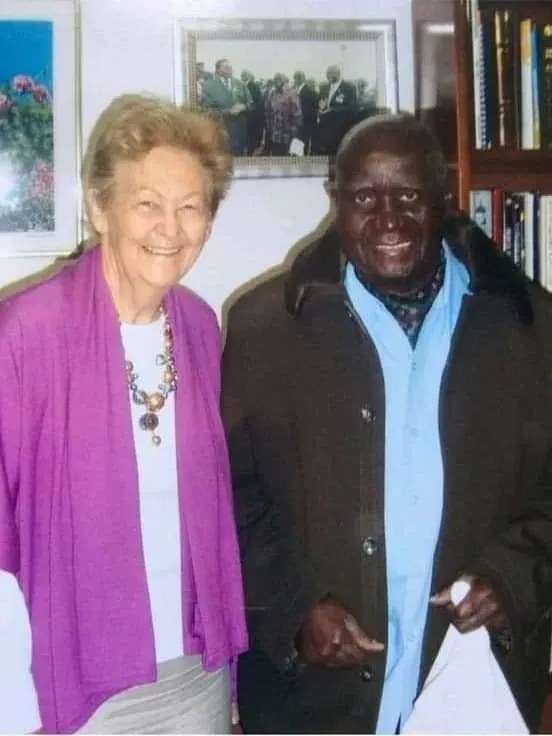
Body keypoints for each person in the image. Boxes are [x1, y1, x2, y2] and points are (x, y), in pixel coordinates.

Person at [221, 113, 552, 733]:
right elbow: (232, 500)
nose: (389, 219)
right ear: (336, 200)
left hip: (473, 688)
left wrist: (515, 579)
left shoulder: (532, 329)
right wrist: (294, 611)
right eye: (365, 199)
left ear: (444, 196)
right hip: (312, 700)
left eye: (409, 197)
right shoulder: (263, 330)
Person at [0, 93, 247, 734]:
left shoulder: (198, 326)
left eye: (190, 207)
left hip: (194, 668)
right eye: (147, 204)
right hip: (74, 682)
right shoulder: (26, 334)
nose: (170, 228)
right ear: (98, 207)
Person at [200, 58, 253, 156]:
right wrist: (228, 111)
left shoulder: (240, 84)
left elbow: (250, 103)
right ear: (218, 70)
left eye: (230, 67)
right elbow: (205, 111)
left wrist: (244, 106)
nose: (230, 69)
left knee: (238, 158)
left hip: (238, 133)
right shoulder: (209, 86)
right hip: (220, 132)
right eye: (226, 67)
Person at [314, 64, 357, 155]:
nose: (328, 76)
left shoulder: (348, 88)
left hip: (341, 129)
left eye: (331, 73)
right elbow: (320, 103)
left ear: (338, 74)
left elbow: (353, 108)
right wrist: (320, 107)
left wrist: (333, 109)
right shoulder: (324, 87)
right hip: (325, 130)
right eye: (327, 74)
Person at [264, 73, 302, 156]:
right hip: (275, 133)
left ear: (284, 81)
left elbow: (297, 113)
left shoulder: (292, 93)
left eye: (279, 80)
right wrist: (269, 127)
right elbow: (267, 110)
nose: (276, 82)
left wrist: (294, 128)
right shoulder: (272, 93)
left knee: (286, 156)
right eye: (275, 80)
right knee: (276, 155)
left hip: (287, 132)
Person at [293, 70, 319, 156]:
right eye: (295, 77)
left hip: (305, 123)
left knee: (303, 144)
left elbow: (315, 108)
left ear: (303, 79)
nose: (296, 79)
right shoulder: (293, 90)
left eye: (299, 77)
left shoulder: (310, 92)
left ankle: (303, 160)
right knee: (295, 145)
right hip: (294, 123)